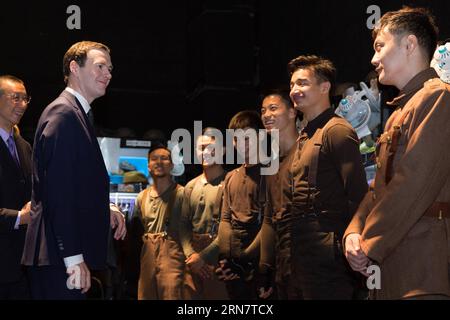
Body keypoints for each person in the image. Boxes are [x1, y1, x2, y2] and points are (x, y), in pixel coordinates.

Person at [344, 7, 450, 300]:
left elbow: (413, 182)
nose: (373, 59)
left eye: (380, 46)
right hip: (391, 267)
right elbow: (378, 188)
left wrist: (369, 243)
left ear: (409, 44)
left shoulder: (438, 97)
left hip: (421, 269)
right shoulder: (399, 113)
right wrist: (353, 232)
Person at [22, 41, 126, 300]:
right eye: (100, 66)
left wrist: (106, 209)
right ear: (74, 68)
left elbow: (76, 184)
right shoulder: (64, 114)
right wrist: (73, 257)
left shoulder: (76, 113)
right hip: (59, 259)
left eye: (110, 68)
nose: (108, 74)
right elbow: (59, 193)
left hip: (60, 258)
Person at [276, 55, 367, 299]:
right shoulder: (304, 135)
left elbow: (359, 195)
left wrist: (353, 239)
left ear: (324, 87)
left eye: (303, 83)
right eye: (293, 85)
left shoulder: (336, 131)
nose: (295, 90)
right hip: (300, 251)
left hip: (328, 252)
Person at [216, 110, 266, 300]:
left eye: (248, 138)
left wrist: (246, 260)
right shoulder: (231, 176)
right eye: (237, 139)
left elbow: (269, 224)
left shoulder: (271, 174)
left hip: (259, 260)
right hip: (233, 261)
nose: (242, 144)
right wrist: (225, 259)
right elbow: (225, 219)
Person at [132, 144, 187, 300]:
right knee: (145, 295)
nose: (159, 162)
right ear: (148, 165)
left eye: (164, 158)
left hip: (174, 252)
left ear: (172, 164)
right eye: (154, 159)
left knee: (173, 294)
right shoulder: (141, 197)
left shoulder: (183, 194)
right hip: (148, 251)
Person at [258, 90, 298, 299]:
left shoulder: (307, 151)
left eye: (273, 108)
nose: (266, 115)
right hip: (283, 266)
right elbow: (269, 219)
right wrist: (265, 269)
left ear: (292, 112)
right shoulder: (271, 164)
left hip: (310, 262)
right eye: (263, 110)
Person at [179, 127, 228, 299]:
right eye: (201, 148)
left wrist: (203, 257)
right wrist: (191, 255)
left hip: (219, 256)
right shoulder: (190, 186)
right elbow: (183, 225)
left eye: (212, 147)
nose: (206, 152)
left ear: (223, 150)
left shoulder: (231, 183)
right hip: (192, 260)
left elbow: (230, 228)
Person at [0, 75, 32, 299]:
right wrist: (19, 217)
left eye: (25, 99)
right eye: (15, 98)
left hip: (22, 263)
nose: (22, 105)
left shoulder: (24, 146)